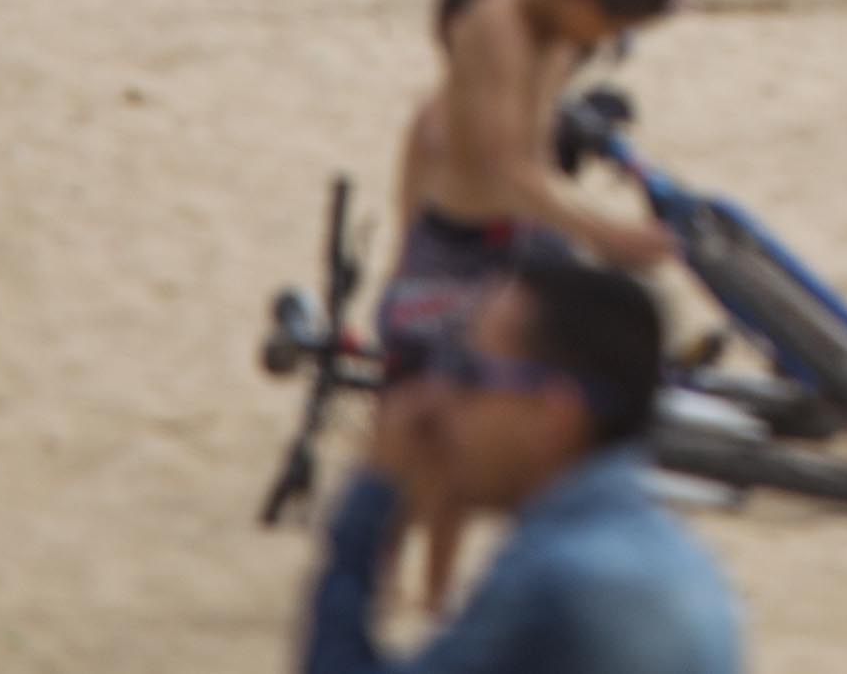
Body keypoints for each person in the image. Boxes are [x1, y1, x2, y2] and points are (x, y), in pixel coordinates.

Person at [292, 251, 748, 674]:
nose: (439, 401)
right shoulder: (686, 562)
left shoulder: (556, 583)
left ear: (554, 415)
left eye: (469, 373)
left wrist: (374, 493)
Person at [381, 0, 681, 378]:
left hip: (525, 239)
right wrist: (607, 234)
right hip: (460, 253)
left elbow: (536, 165)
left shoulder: (556, 41)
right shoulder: (498, 26)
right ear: (584, 5)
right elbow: (505, 168)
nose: (600, 42)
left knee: (630, 321)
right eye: (610, 27)